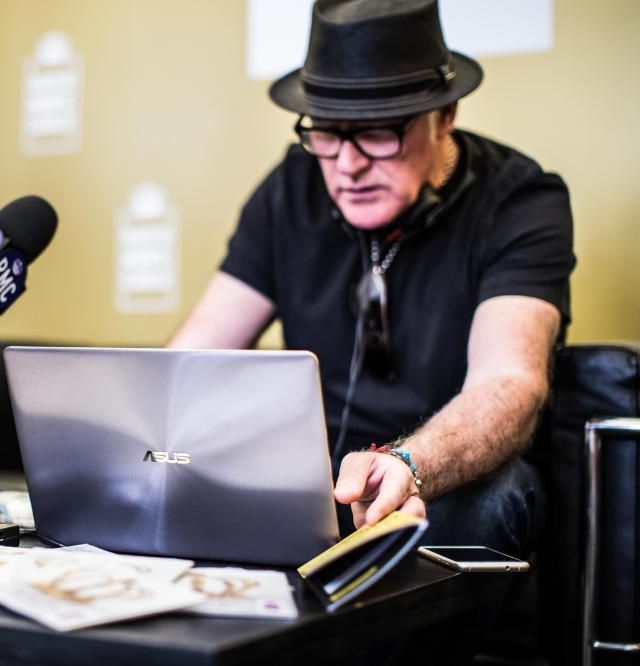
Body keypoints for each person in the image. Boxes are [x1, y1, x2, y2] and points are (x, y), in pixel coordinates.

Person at [169, 0, 575, 557]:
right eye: (327, 134)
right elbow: (195, 356)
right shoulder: (290, 189)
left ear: (445, 116)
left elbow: (508, 381)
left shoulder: (521, 201)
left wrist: (410, 464)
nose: (349, 165)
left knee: (492, 499)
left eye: (379, 133)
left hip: (444, 475)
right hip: (318, 475)